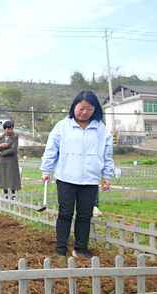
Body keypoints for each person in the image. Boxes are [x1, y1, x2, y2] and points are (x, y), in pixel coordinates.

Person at [41, 91, 114, 258]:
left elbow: (107, 155)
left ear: (95, 110)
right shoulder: (62, 126)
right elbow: (51, 149)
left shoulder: (101, 130)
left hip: (89, 179)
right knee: (65, 213)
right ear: (74, 107)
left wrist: (107, 176)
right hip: (66, 178)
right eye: (81, 108)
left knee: (85, 215)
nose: (84, 112)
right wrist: (46, 170)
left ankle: (80, 248)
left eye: (89, 109)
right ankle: (61, 248)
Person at [0, 121, 21, 200]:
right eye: (6, 129)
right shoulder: (0, 137)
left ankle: (13, 195)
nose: (8, 130)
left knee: (12, 177)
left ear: (12, 128)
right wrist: (0, 146)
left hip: (11, 161)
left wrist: (1, 153)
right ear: (4, 129)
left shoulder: (15, 137)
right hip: (2, 162)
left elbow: (13, 149)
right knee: (3, 177)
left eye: (10, 128)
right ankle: (5, 194)